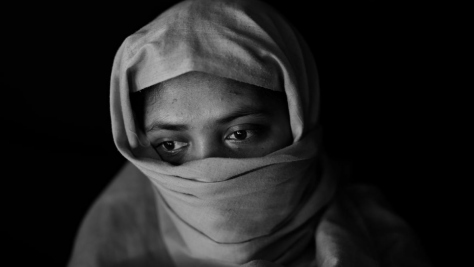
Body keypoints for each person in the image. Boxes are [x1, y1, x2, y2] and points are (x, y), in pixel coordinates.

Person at [67, 0, 431, 266]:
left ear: (299, 116)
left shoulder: (381, 245)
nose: (209, 170)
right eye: (171, 144)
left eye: (240, 134)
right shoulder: (111, 243)